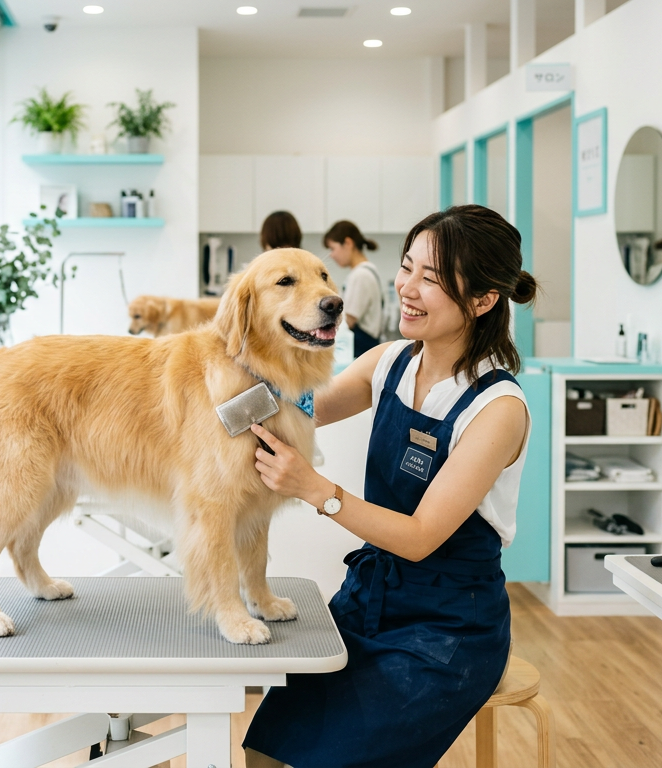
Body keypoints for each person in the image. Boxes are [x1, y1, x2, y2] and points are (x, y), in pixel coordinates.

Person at [241, 204, 539, 768]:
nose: (407, 287)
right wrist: (217, 379)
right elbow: (300, 407)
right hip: (369, 600)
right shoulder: (391, 362)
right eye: (407, 267)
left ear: (482, 300)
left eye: (432, 278)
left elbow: (421, 536)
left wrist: (314, 488)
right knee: (264, 749)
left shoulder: (497, 409)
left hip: (449, 628)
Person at [323, 220, 385, 358]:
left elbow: (348, 321)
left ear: (348, 243)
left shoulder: (360, 275)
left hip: (362, 349)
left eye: (333, 248)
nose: (331, 255)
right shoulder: (369, 270)